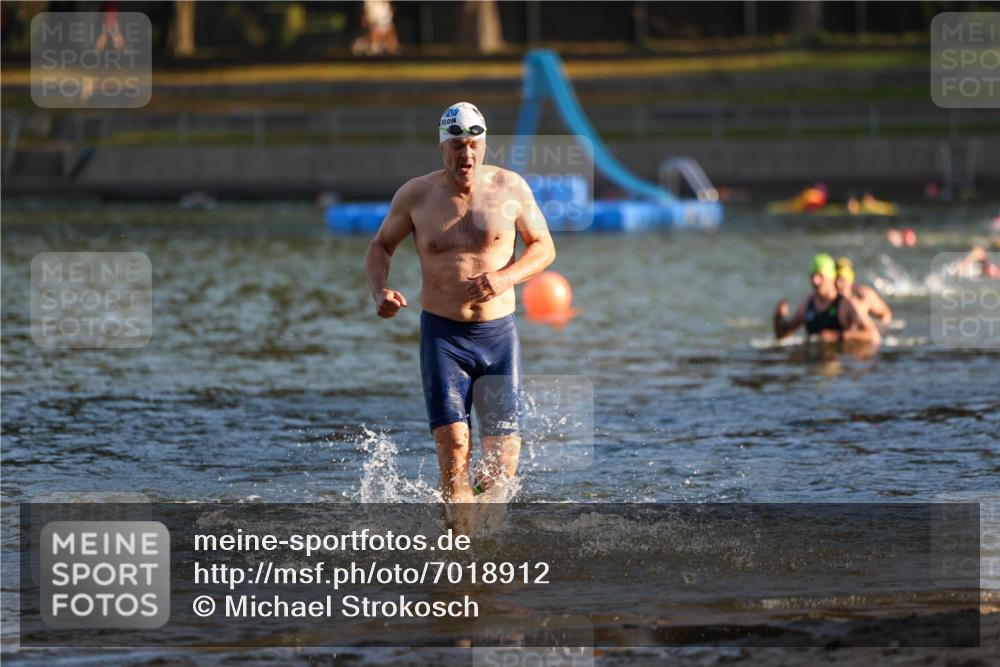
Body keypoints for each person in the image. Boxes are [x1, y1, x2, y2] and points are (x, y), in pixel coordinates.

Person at [365, 102, 556, 507]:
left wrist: (505, 277)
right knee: (454, 449)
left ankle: (482, 532)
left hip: (498, 337)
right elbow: (380, 245)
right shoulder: (416, 195)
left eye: (473, 145)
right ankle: (458, 538)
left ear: (484, 145)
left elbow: (544, 247)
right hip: (444, 338)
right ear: (442, 147)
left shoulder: (510, 188)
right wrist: (380, 290)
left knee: (501, 466)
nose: (465, 154)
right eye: (456, 146)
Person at [773, 253, 881, 344]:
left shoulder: (846, 304)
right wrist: (777, 318)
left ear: (832, 278)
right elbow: (781, 336)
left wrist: (839, 336)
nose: (815, 281)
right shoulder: (807, 304)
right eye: (813, 276)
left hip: (841, 360)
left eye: (820, 276)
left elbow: (873, 336)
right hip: (814, 361)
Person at [835, 257, 893, 325]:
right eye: (836, 279)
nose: (838, 283)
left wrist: (879, 327)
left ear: (850, 280)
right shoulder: (831, 298)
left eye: (842, 280)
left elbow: (886, 314)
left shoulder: (864, 295)